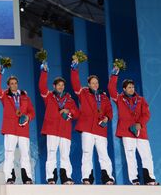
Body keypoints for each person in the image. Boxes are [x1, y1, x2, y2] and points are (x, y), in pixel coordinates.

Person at [107, 67, 158, 185]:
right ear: (124, 89)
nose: (131, 89)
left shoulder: (140, 100)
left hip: (141, 132)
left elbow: (146, 114)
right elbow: (111, 89)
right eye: (129, 87)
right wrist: (114, 75)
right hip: (127, 132)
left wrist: (140, 124)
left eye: (133, 87)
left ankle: (150, 179)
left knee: (147, 155)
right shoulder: (119, 99)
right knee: (130, 156)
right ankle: (134, 179)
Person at [70, 57, 115, 185]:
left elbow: (109, 111)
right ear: (88, 84)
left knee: (103, 154)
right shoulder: (83, 92)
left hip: (101, 129)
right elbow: (75, 82)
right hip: (87, 129)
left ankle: (107, 178)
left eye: (97, 83)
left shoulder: (104, 97)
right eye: (93, 83)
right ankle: (87, 178)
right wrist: (74, 68)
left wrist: (107, 118)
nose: (95, 85)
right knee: (87, 153)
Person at [0, 65, 35, 184]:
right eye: (11, 83)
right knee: (9, 153)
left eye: (15, 83)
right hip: (10, 128)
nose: (14, 85)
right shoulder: (4, 95)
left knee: (25, 154)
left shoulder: (25, 96)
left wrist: (28, 117)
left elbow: (32, 112)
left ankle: (27, 178)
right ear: (8, 85)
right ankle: (9, 177)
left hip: (23, 128)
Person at [38, 63, 79, 185]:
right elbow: (41, 86)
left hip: (65, 131)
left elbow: (76, 114)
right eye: (58, 85)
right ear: (54, 86)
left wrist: (69, 111)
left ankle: (66, 178)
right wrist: (44, 72)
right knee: (51, 154)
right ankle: (51, 178)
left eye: (62, 85)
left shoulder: (69, 99)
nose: (61, 87)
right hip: (52, 130)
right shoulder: (49, 96)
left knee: (65, 155)